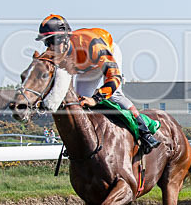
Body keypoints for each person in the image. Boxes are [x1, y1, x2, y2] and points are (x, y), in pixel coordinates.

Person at [35, 14, 161, 153]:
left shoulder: (93, 46)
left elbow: (114, 77)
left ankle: (144, 131)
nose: (50, 47)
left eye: (52, 41)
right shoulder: (53, 52)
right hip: (86, 67)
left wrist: (96, 99)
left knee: (115, 96)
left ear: (64, 38)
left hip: (107, 55)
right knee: (79, 101)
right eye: (47, 43)